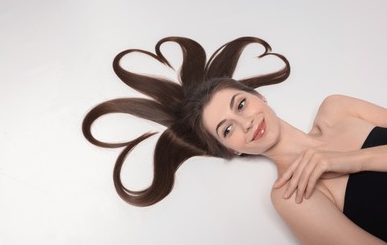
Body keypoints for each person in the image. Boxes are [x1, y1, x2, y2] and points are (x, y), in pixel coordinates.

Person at [82, 36, 387, 244]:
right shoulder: (294, 194)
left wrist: (353, 160)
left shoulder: (337, 108)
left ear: (259, 96)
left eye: (240, 104)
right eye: (227, 130)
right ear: (232, 150)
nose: (246, 123)